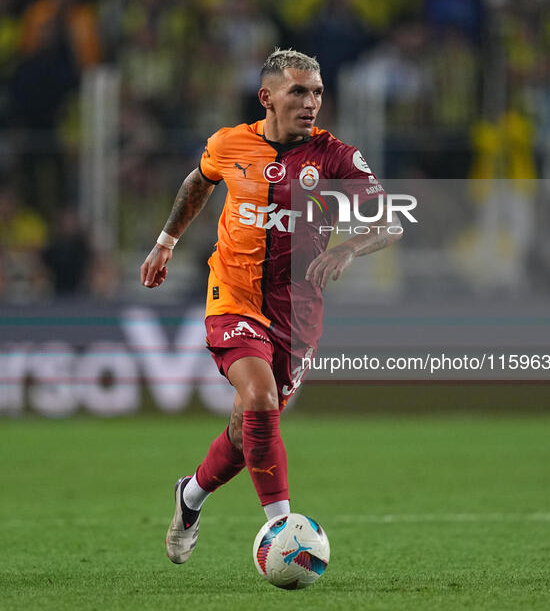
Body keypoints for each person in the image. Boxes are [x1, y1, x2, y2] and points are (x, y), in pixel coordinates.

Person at [140, 48, 401, 565]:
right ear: (268, 98)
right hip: (232, 295)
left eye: (318, 92)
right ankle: (283, 531)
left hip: (297, 313)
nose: (311, 102)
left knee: (247, 430)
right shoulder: (230, 142)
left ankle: (190, 496)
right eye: (299, 92)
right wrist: (166, 241)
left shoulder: (337, 159)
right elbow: (200, 180)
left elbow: (388, 221)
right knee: (259, 398)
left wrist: (348, 247)